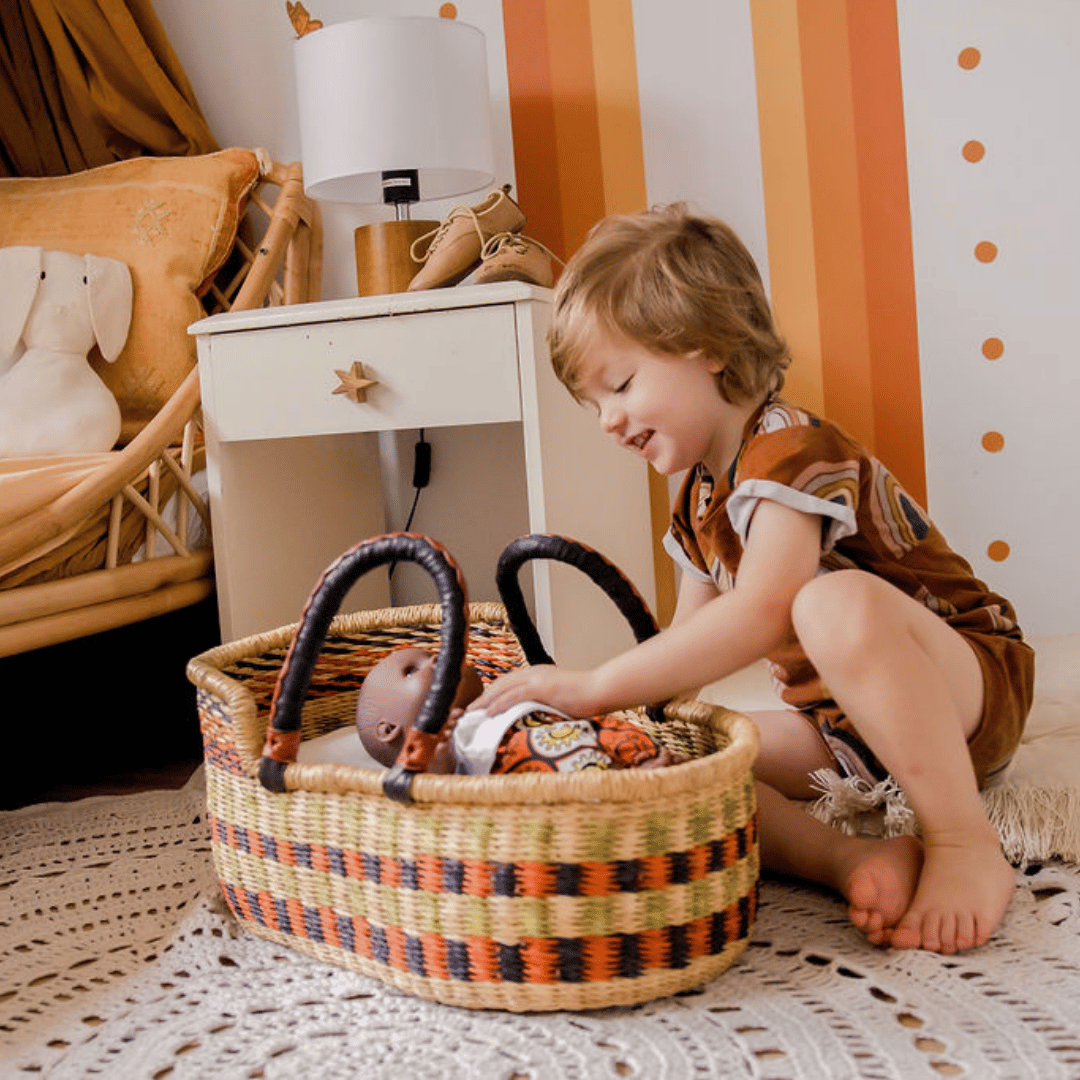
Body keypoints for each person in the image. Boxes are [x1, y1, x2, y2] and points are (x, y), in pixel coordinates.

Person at [473, 203, 1035, 955]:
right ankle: (852, 859)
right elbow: (689, 653)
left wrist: (594, 684)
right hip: (847, 734)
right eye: (594, 403)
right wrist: (611, 738)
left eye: (622, 383)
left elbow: (766, 610)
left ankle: (963, 843)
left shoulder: (788, 449)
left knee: (826, 602)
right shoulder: (696, 502)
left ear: (702, 345)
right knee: (692, 760)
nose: (608, 419)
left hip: (968, 686)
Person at [355, 647, 682, 775]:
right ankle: (626, 783)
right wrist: (438, 756)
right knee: (555, 770)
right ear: (389, 730)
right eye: (412, 670)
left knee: (611, 727)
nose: (436, 658)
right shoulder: (443, 740)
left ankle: (646, 762)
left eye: (430, 652)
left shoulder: (493, 700)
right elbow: (442, 790)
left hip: (572, 731)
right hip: (525, 765)